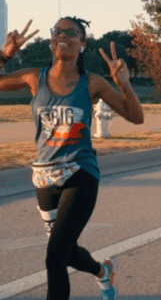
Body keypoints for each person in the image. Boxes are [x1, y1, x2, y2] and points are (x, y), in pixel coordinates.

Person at [0, 18, 144, 300]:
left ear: (82, 44)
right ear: (52, 40)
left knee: (54, 257)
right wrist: (4, 55)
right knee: (64, 252)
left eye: (71, 32)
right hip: (43, 176)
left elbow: (136, 117)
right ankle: (103, 270)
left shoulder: (92, 82)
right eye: (57, 32)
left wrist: (124, 84)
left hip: (81, 173)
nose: (62, 36)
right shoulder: (34, 77)